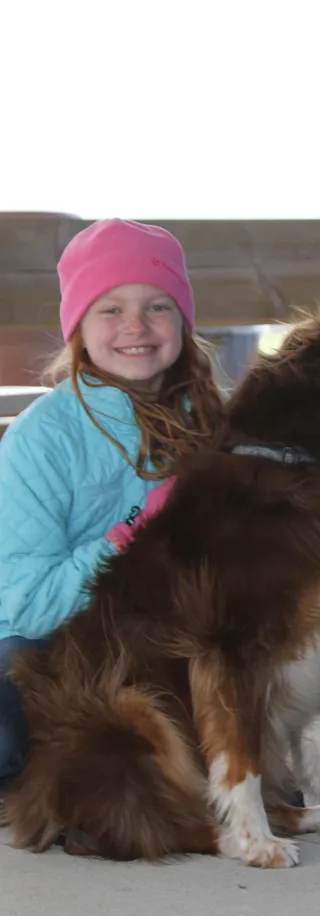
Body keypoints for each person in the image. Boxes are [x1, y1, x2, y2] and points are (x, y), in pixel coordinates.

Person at [0, 219, 224, 794]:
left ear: (182, 321)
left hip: (152, 637)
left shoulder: (211, 423)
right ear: (77, 325)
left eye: (157, 306)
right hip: (37, 638)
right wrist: (131, 534)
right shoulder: (41, 439)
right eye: (110, 309)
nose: (136, 327)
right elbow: (26, 606)